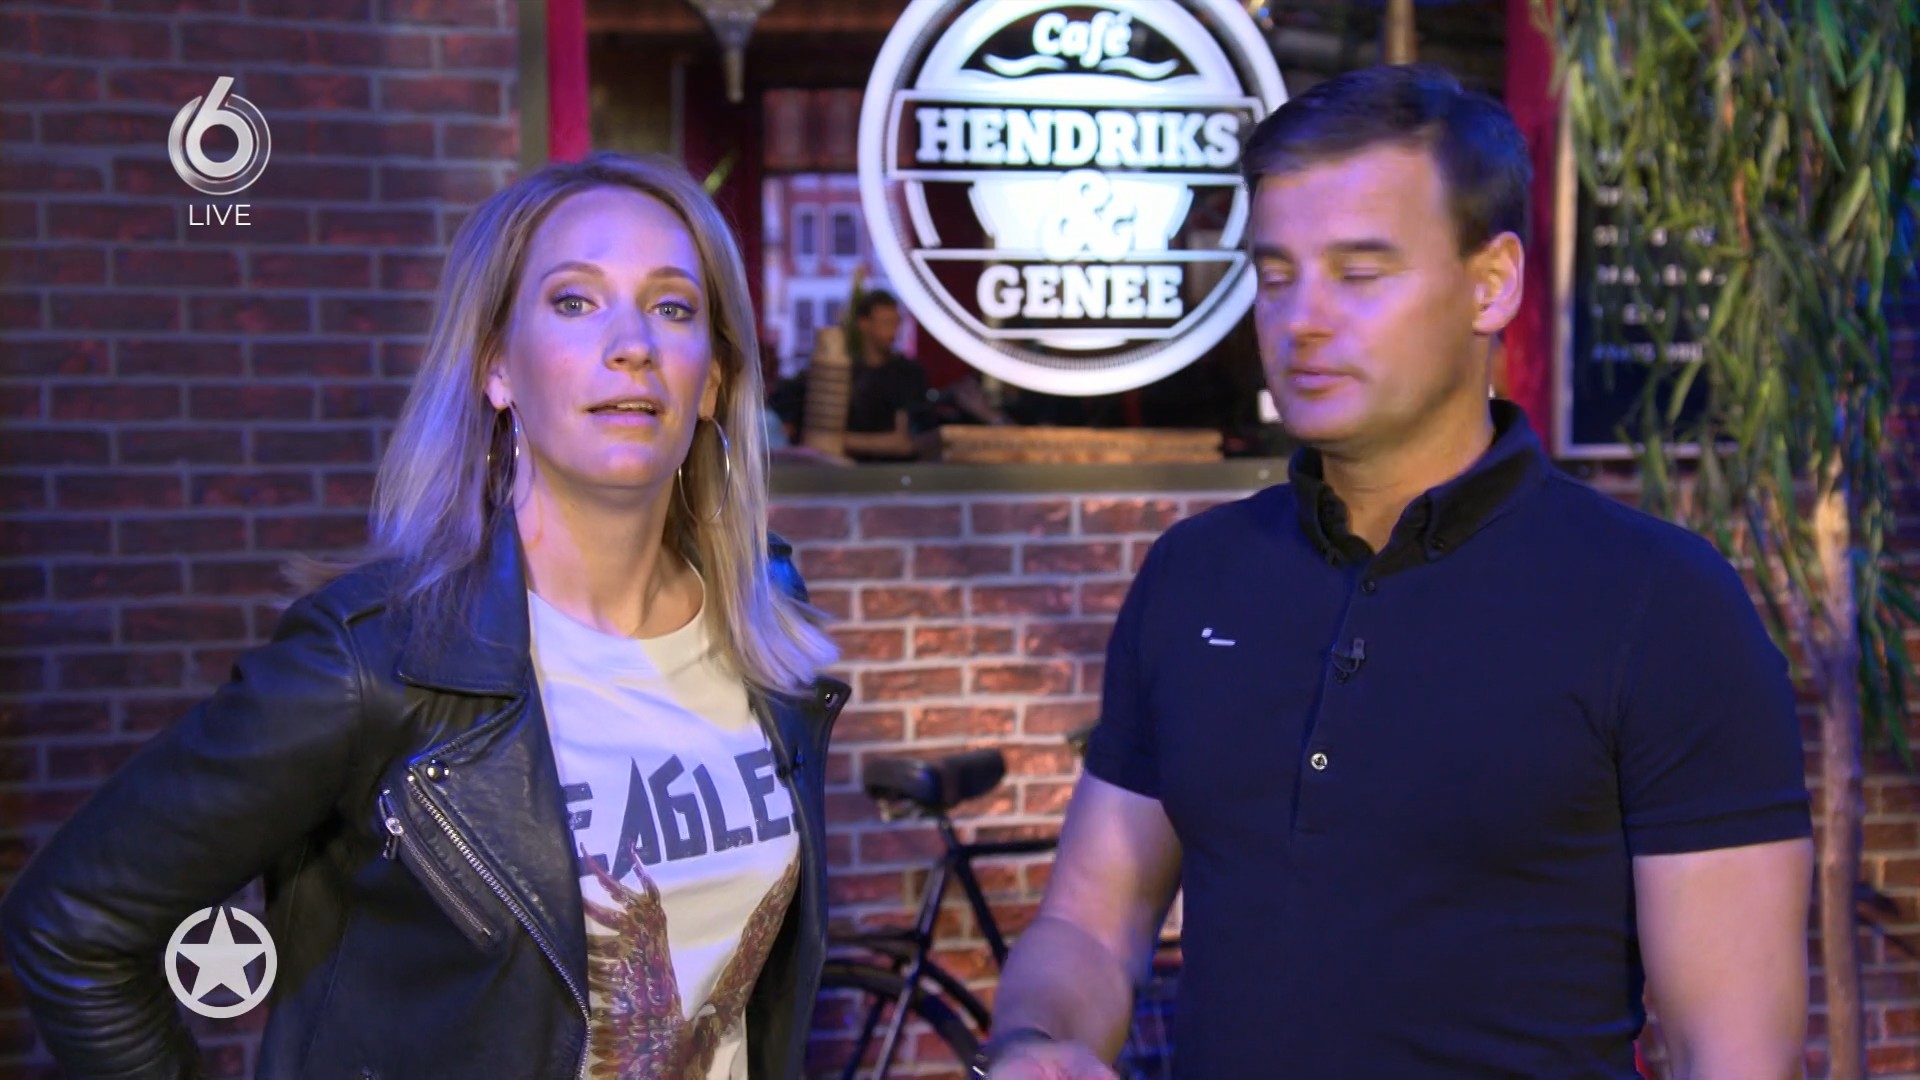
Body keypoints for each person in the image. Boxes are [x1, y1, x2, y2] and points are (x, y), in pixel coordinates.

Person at [978, 65, 1812, 1079]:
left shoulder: (1658, 602)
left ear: (1491, 283)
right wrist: (1039, 1043)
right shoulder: (1194, 578)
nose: (1303, 319)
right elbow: (1089, 921)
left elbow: (1734, 1049)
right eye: (1276, 275)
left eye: (1360, 273)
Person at [0, 153, 848, 1080]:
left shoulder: (768, 631)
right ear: (497, 367)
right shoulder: (374, 663)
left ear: (713, 379)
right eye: (574, 301)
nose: (632, 342)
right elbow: (70, 927)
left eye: (673, 307)